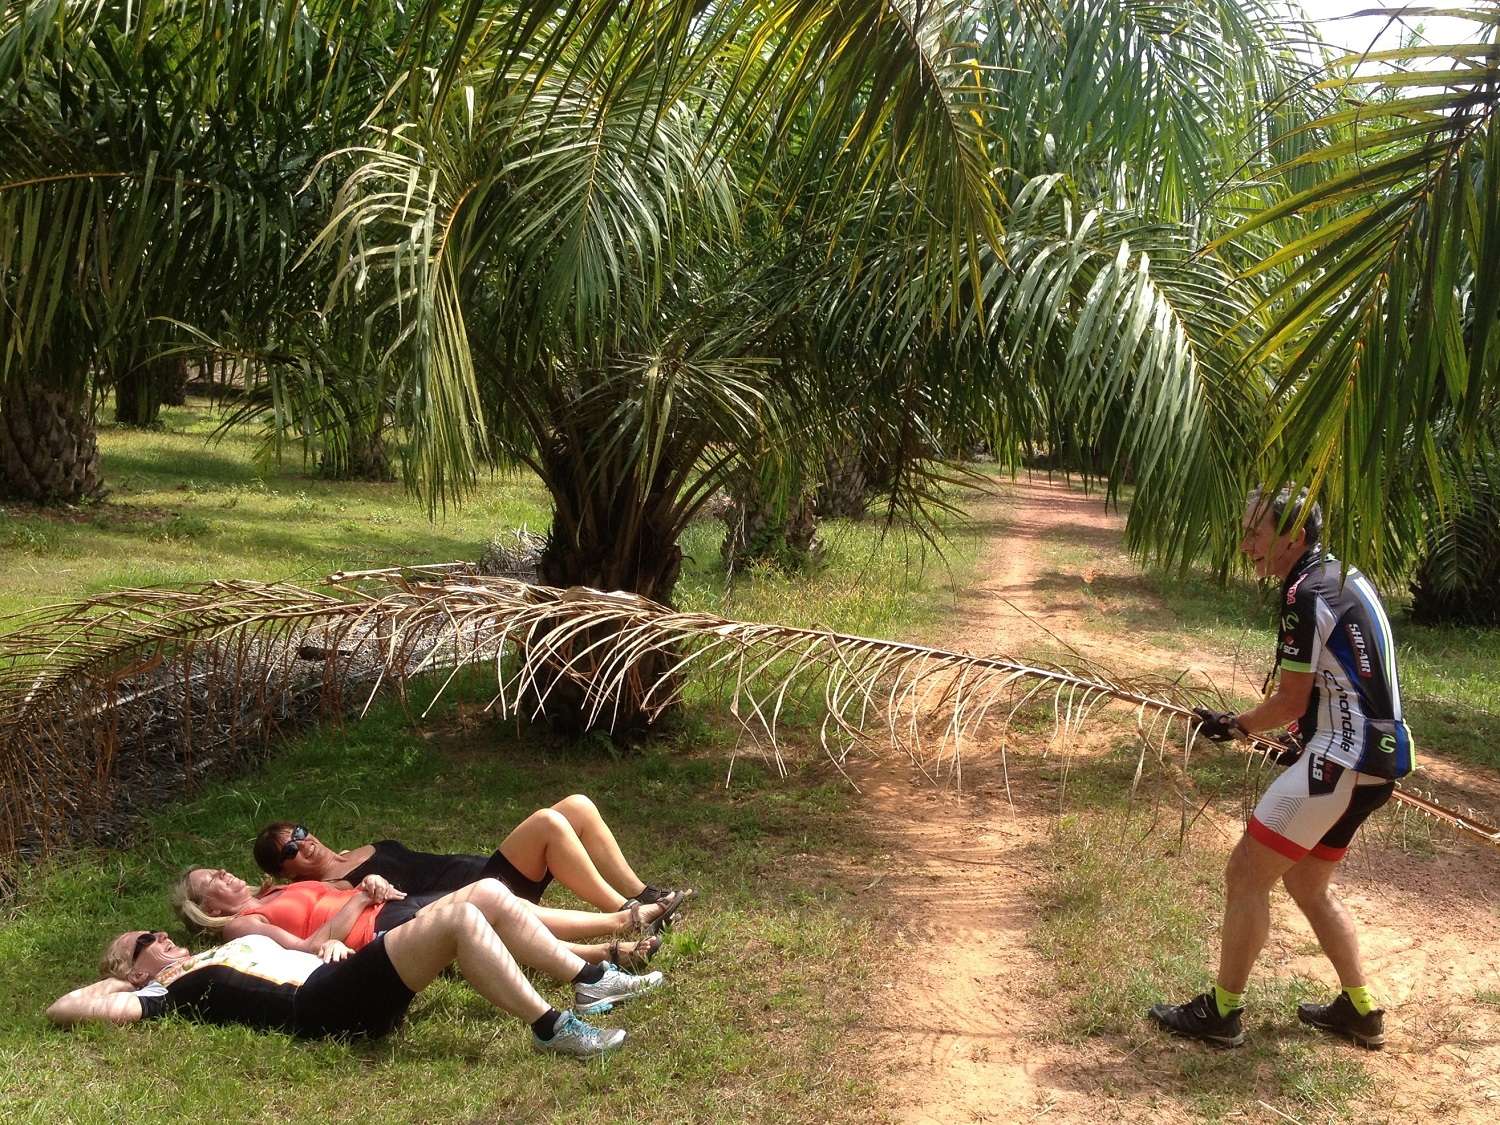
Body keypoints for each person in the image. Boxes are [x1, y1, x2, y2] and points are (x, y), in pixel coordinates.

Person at [1149, 487, 1413, 1050]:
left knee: (1245, 874)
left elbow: (1292, 700)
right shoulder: (1344, 577)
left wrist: (1235, 725)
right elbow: (1350, 683)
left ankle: (1222, 1014)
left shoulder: (1303, 593)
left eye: (1255, 534)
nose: (1245, 548)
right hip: (1376, 763)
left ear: (1292, 537)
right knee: (1306, 883)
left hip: (1340, 762)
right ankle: (1360, 1010)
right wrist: (1304, 739)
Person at [47, 898, 649, 1058]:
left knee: (483, 901)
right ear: (134, 967)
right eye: (146, 942)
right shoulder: (166, 993)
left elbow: (302, 949)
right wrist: (124, 985)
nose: (162, 937)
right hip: (320, 1008)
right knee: (459, 920)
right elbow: (63, 1010)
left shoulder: (198, 962)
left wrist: (330, 942)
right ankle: (552, 1027)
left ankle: (589, 976)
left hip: (334, 978)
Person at [252, 794, 692, 942]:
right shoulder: (339, 887)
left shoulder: (356, 851)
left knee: (576, 805)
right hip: (484, 891)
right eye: (289, 848)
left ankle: (644, 893)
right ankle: (631, 912)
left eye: (299, 832)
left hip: (491, 871)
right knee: (548, 822)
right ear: (288, 873)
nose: (302, 842)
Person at [174, 868, 668, 972]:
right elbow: (308, 948)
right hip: (380, 933)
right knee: (490, 900)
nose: (221, 872)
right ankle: (617, 930)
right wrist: (361, 898)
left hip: (389, 906)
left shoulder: (274, 889)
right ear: (209, 909)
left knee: (505, 907)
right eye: (209, 881)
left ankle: (613, 942)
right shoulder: (242, 924)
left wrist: (369, 882)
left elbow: (338, 893)